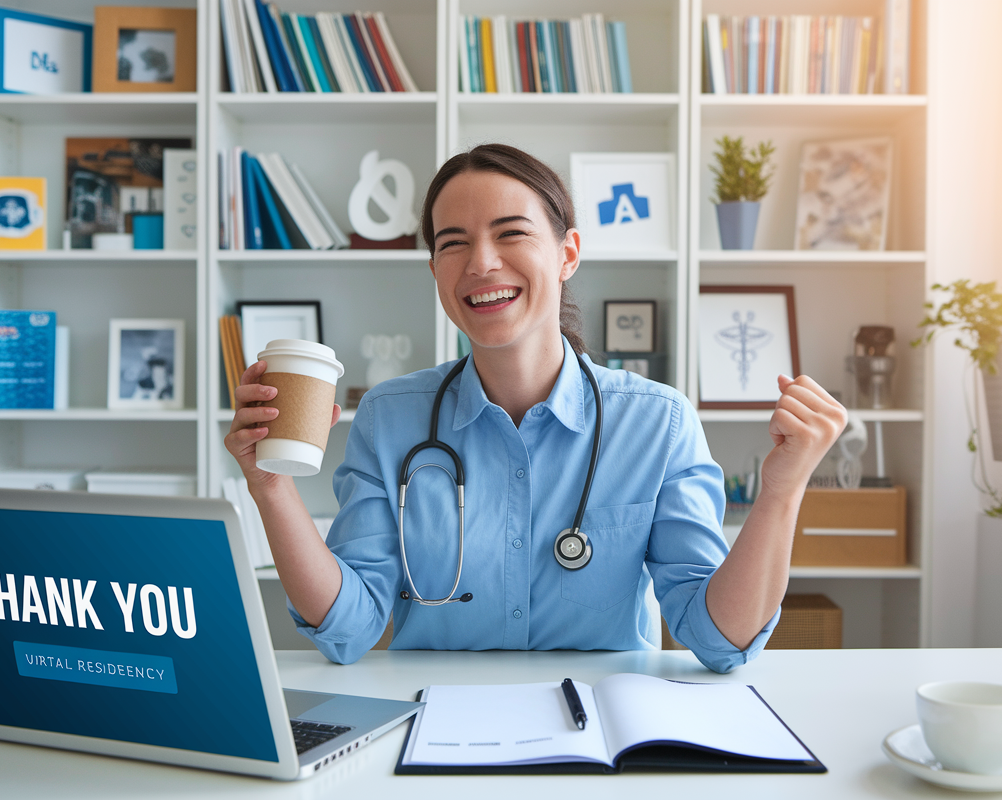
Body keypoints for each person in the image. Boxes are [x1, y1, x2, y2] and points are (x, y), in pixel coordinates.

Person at [225, 144, 847, 672]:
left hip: (600, 735)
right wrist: (271, 488)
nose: (481, 263)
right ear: (436, 269)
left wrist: (781, 492)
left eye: (511, 233)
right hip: (437, 730)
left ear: (568, 252)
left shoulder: (657, 423)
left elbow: (718, 641)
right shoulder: (390, 419)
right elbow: (350, 631)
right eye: (453, 243)